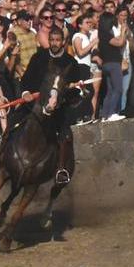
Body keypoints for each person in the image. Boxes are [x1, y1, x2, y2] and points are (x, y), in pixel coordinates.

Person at [17, 26, 82, 185]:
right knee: (14, 119)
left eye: (57, 40)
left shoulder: (70, 62)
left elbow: (77, 88)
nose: (54, 43)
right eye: (52, 40)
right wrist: (25, 92)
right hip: (34, 103)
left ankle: (61, 168)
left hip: (59, 106)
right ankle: (0, 156)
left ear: (63, 42)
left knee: (65, 134)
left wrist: (75, 87)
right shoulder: (38, 57)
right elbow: (26, 79)